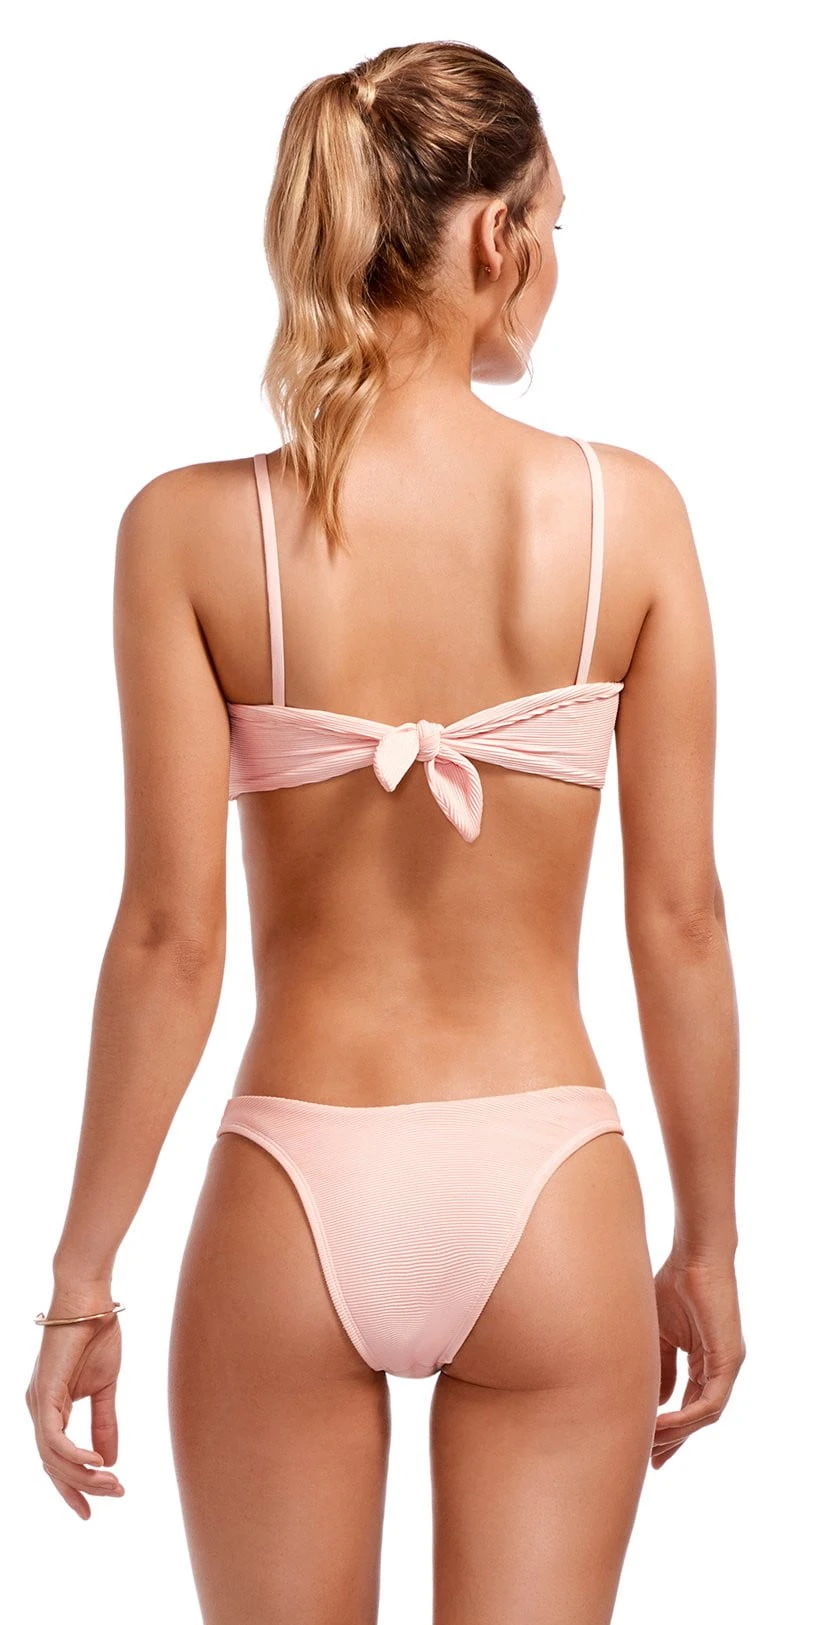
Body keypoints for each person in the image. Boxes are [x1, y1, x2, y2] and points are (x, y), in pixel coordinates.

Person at [25, 39, 745, 1625]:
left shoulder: (190, 533)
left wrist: (81, 1279)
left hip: (291, 1186)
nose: (555, 260)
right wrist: (708, 1244)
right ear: (496, 237)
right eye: (553, 222)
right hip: (550, 1184)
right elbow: (682, 919)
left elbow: (169, 943)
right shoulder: (628, 517)